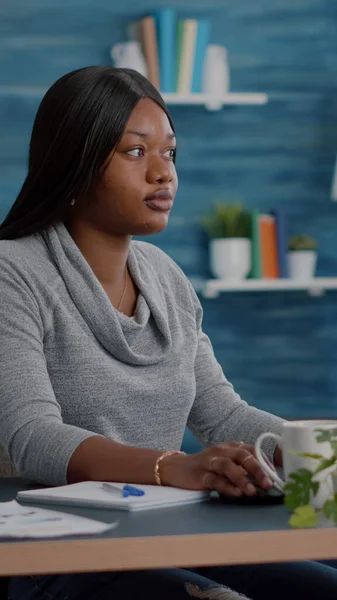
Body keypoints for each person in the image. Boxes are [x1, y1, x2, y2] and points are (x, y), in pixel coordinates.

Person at [0, 66, 336, 600]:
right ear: (75, 161)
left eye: (170, 153)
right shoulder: (13, 272)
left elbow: (223, 414)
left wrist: (319, 454)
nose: (164, 173)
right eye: (136, 152)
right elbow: (33, 435)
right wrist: (176, 467)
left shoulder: (165, 275)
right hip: (56, 561)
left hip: (168, 536)